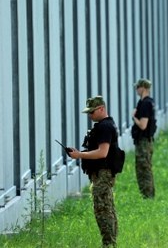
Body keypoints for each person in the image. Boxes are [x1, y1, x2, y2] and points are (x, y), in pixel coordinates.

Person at [69, 95, 118, 248]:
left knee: (102, 210)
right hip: (101, 173)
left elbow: (102, 152)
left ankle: (108, 243)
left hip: (103, 174)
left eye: (92, 112)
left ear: (101, 109)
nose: (90, 116)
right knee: (107, 208)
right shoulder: (105, 125)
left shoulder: (105, 127)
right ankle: (110, 243)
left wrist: (79, 155)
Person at [131, 79, 156, 199]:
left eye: (138, 87)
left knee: (144, 170)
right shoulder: (144, 102)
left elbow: (143, 125)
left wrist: (133, 117)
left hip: (144, 142)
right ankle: (147, 196)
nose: (136, 90)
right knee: (143, 169)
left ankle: (148, 197)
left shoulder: (145, 104)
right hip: (144, 141)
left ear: (144, 88)